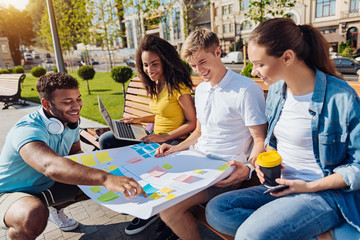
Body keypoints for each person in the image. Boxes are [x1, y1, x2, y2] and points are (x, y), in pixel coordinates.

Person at [205, 18, 360, 240]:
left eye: (260, 64)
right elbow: (272, 143)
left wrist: (308, 187)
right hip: (279, 184)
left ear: (287, 57)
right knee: (217, 210)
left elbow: (357, 167)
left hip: (322, 192)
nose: (254, 71)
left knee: (249, 236)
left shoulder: (341, 97)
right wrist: (257, 163)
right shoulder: (278, 91)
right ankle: (311, 233)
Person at [0, 73, 145, 240]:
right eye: (67, 102)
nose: (77, 106)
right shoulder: (27, 130)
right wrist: (105, 178)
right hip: (11, 192)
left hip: (47, 184)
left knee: (97, 183)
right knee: (33, 215)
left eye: (78, 99)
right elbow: (50, 166)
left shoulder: (69, 121)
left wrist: (104, 169)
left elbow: (75, 153)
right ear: (46, 104)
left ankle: (55, 209)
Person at [154, 28, 268, 240]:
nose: (199, 70)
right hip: (198, 161)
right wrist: (177, 148)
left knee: (168, 210)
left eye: (202, 62)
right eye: (193, 65)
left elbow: (260, 138)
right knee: (152, 180)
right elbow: (199, 130)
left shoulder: (245, 89)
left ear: (218, 52)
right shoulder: (203, 89)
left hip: (224, 170)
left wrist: (249, 168)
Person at [99, 35, 197, 236]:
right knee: (107, 140)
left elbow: (192, 122)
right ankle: (135, 193)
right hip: (154, 134)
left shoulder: (178, 86)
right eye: (145, 65)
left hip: (173, 139)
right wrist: (138, 119)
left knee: (134, 155)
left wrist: (165, 137)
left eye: (155, 64)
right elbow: (161, 113)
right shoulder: (157, 83)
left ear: (165, 62)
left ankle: (153, 207)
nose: (150, 70)